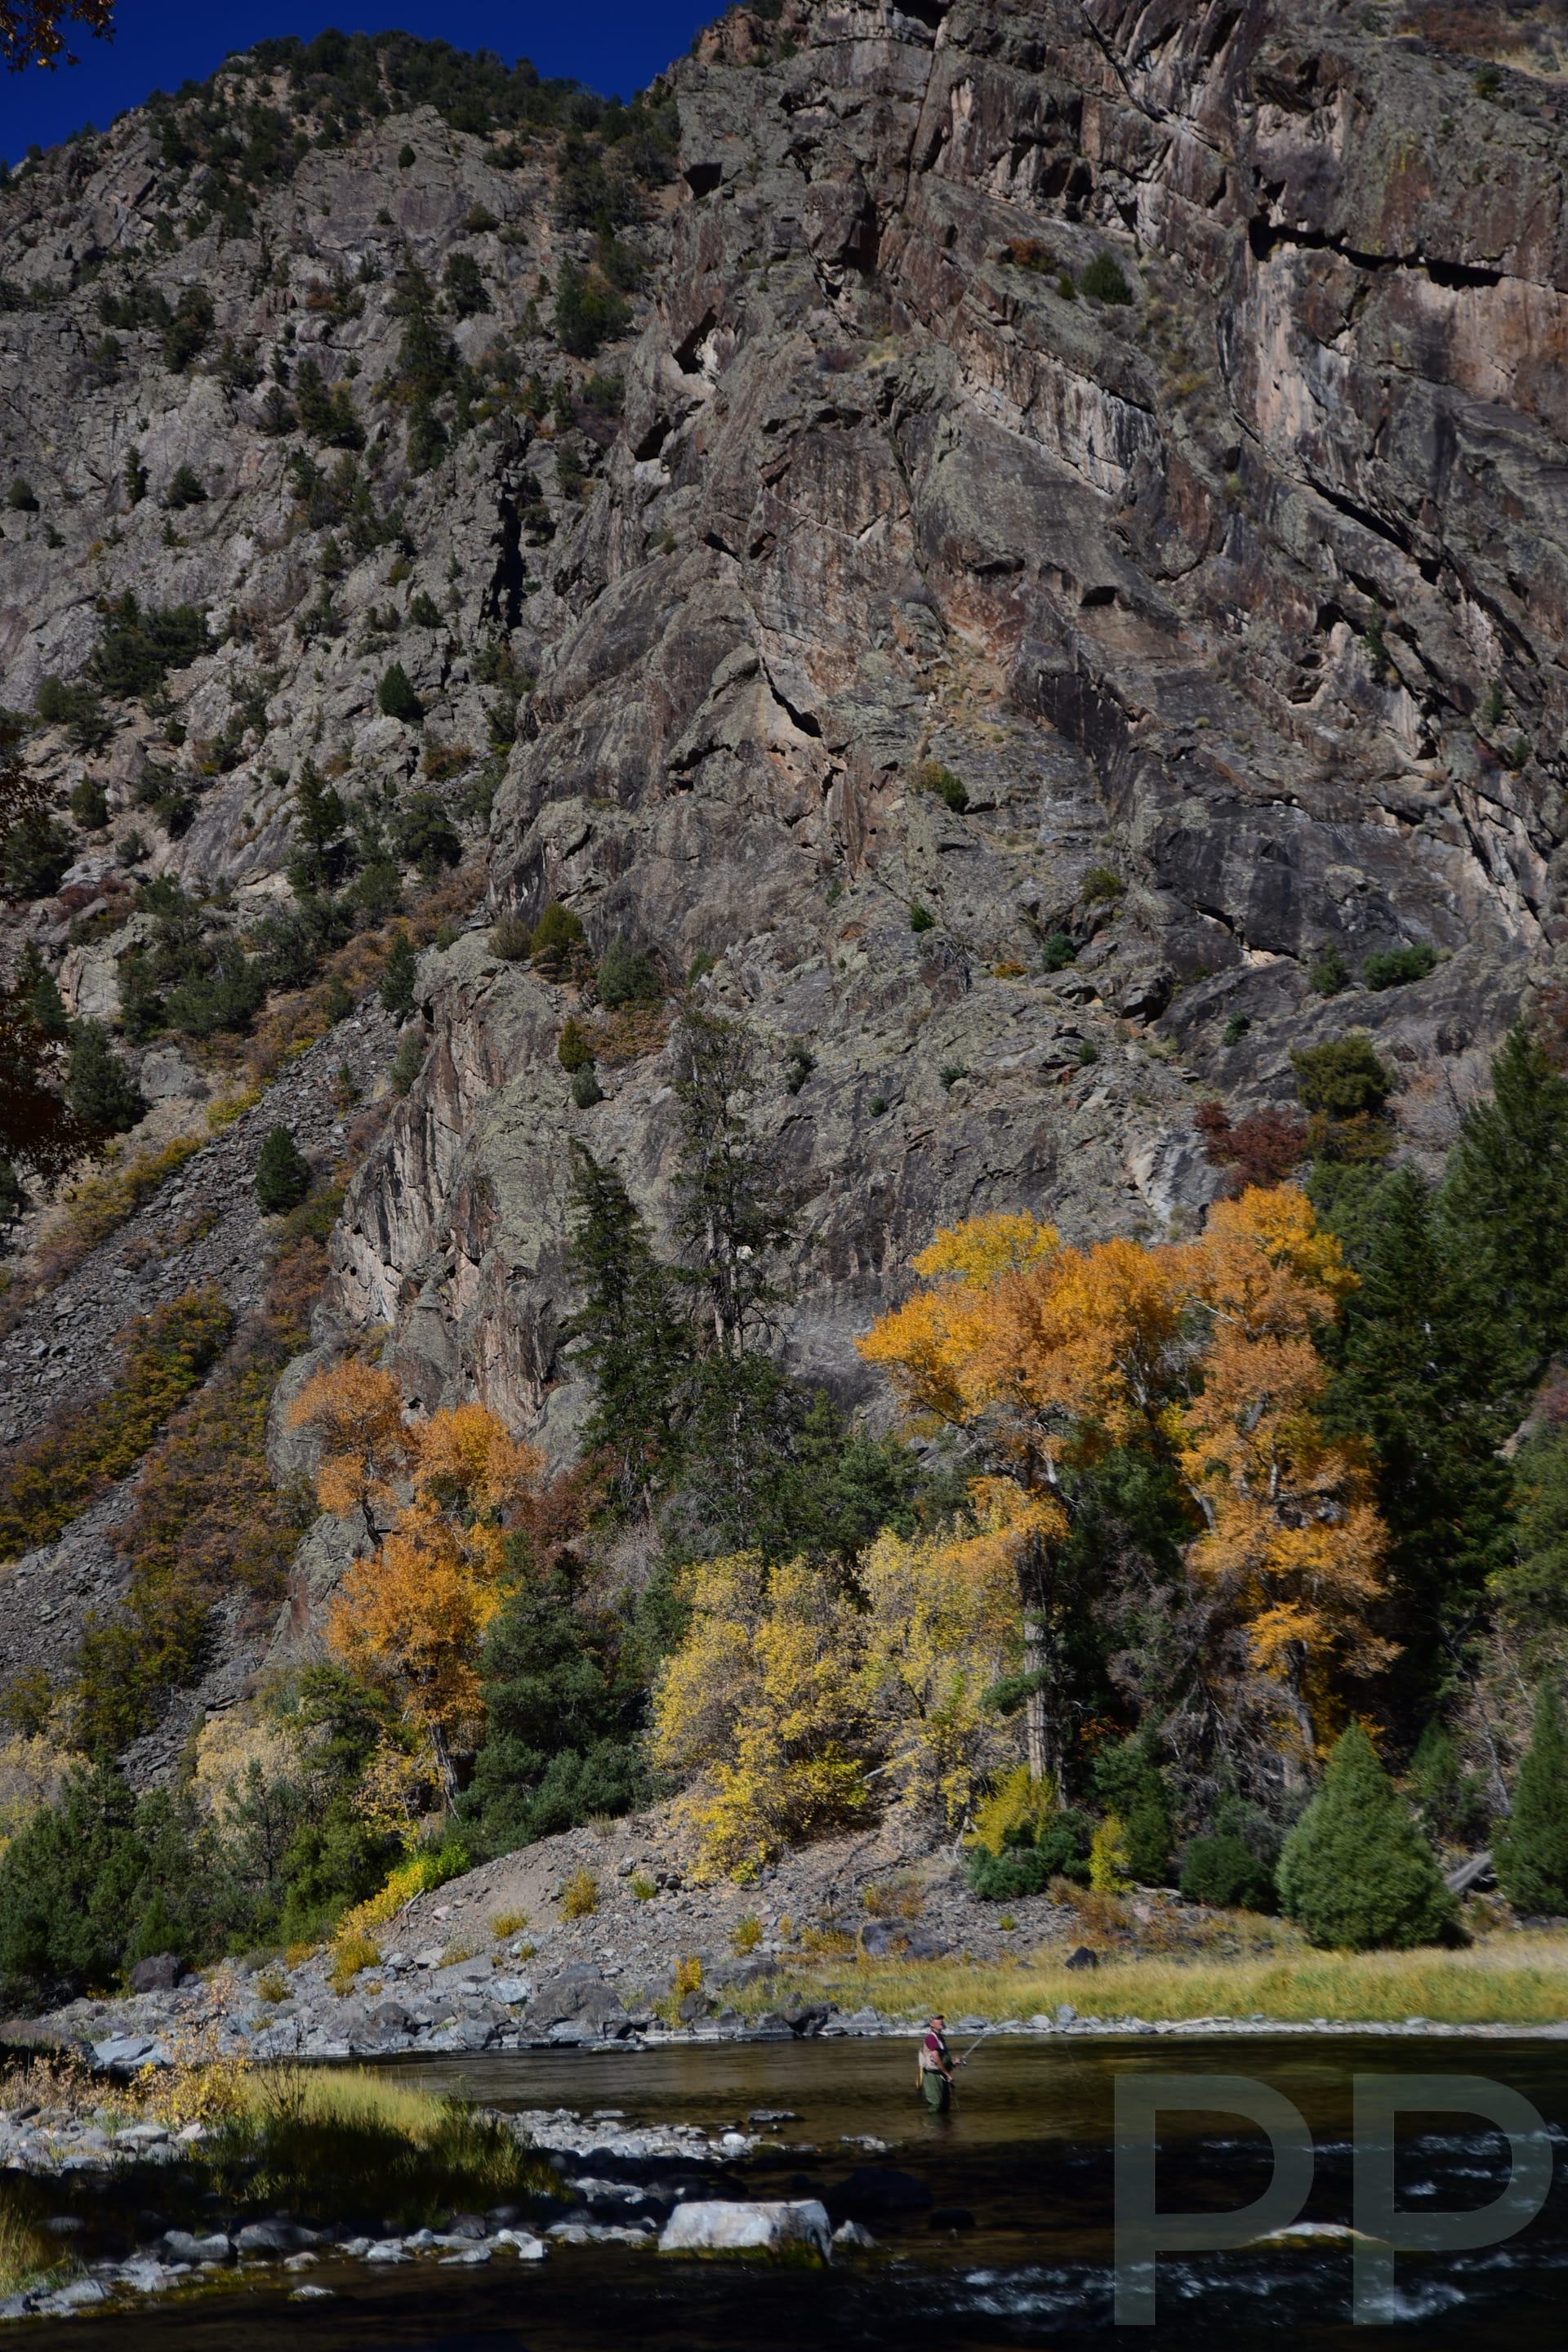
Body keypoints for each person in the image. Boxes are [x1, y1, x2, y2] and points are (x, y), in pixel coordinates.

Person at [916, 2011, 958, 2112]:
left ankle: (945, 2127)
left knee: (945, 2105)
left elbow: (942, 2058)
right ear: (931, 2024)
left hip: (941, 2074)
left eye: (941, 2019)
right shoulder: (931, 2038)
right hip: (932, 2076)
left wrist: (952, 2063)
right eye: (938, 2019)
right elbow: (936, 2059)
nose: (941, 2021)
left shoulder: (940, 2038)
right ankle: (933, 2126)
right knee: (936, 2104)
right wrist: (948, 2074)